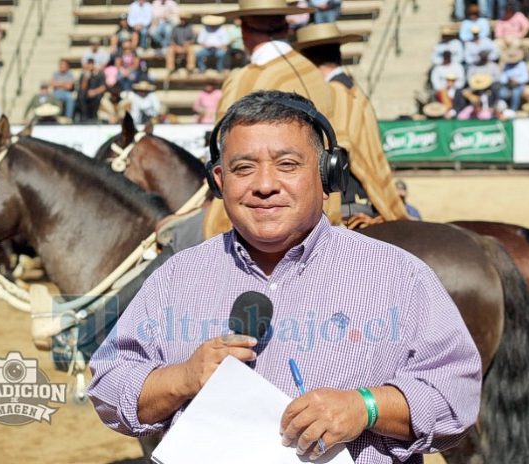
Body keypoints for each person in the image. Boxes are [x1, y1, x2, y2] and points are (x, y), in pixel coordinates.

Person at [87, 90, 482, 463]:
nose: (264, 185)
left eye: (287, 165)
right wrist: (182, 378)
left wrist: (367, 407)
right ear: (219, 182)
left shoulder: (400, 276)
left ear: (327, 176)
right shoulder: (175, 277)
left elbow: (455, 395)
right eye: (244, 168)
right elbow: (108, 384)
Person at [204, 0, 342, 238]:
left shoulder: (243, 78)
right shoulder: (312, 72)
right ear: (286, 28)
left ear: (244, 31)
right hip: (324, 205)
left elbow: (225, 153)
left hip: (258, 217)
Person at [295, 22, 410, 222]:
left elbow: (336, 150)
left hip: (346, 205)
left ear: (308, 62)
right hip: (361, 197)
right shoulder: (350, 89)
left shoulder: (334, 92)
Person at [498, 48, 529, 113]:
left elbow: (526, 77)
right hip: (508, 85)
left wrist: (517, 80)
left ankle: (513, 110)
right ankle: (502, 111)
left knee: (516, 93)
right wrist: (508, 80)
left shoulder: (522, 64)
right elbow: (502, 78)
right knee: (501, 93)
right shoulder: (507, 65)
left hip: (519, 85)